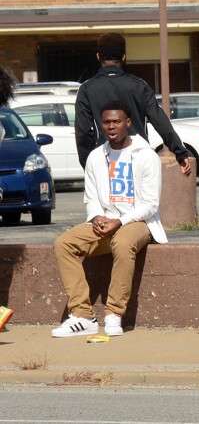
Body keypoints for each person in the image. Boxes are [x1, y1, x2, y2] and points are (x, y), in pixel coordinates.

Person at [52, 101, 164, 338]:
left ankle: (114, 314)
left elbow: (150, 205)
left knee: (122, 243)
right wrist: (96, 217)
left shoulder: (146, 156)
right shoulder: (95, 156)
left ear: (128, 123)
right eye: (106, 122)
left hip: (139, 223)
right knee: (64, 243)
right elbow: (90, 198)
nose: (111, 127)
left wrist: (120, 222)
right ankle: (83, 316)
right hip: (106, 222)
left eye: (116, 121)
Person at [74, 33, 191, 176]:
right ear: (123, 57)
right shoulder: (140, 86)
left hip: (105, 163)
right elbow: (159, 120)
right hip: (138, 159)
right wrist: (180, 152)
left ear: (98, 56)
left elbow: (83, 132)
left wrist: (89, 164)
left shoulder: (86, 89)